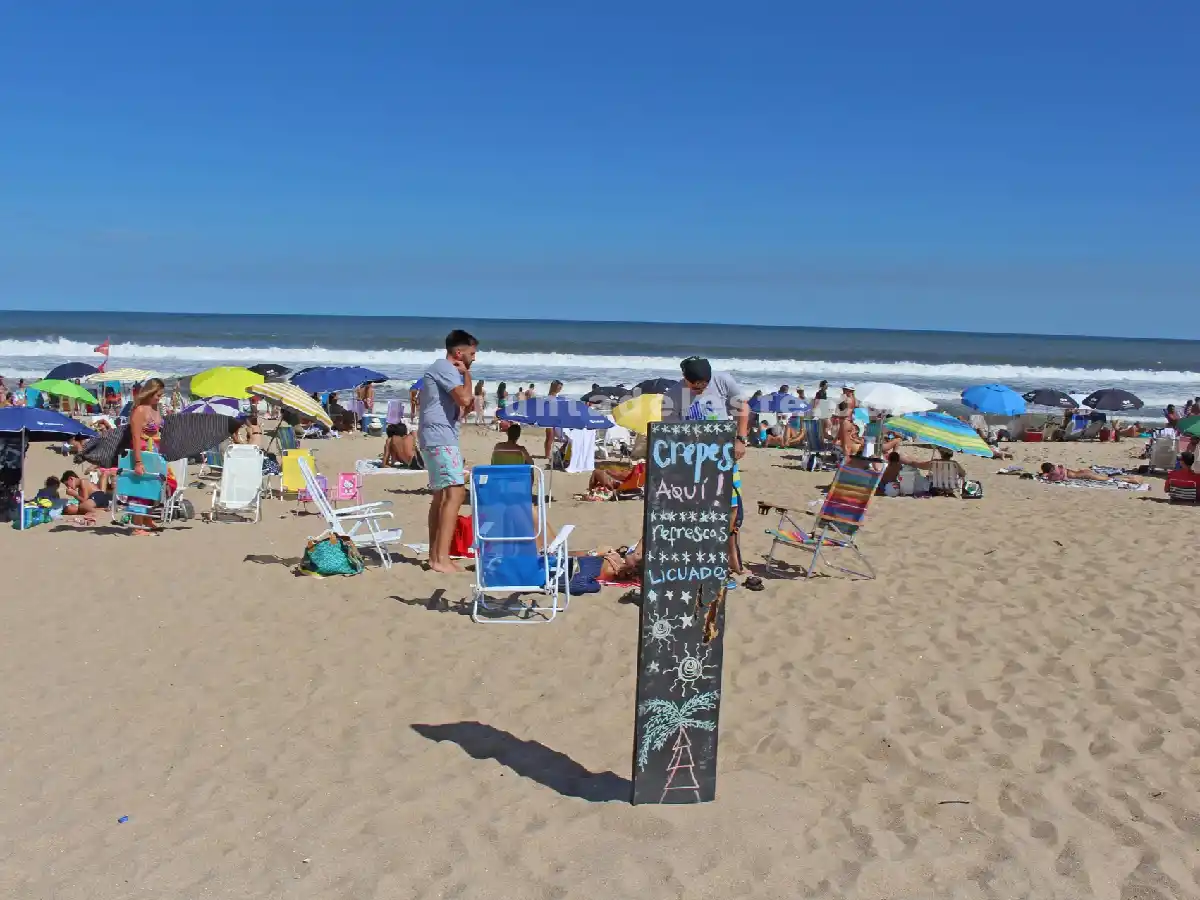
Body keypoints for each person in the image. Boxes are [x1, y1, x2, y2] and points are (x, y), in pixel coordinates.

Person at [661, 356, 761, 590]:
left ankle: (729, 560)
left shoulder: (723, 381)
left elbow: (742, 408)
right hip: (693, 461)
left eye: (705, 383)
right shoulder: (673, 396)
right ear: (685, 379)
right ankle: (706, 560)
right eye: (696, 384)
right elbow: (671, 432)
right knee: (699, 510)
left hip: (725, 457)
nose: (701, 388)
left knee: (731, 507)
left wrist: (740, 439)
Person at [419, 329, 479, 574]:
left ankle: (436, 556)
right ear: (459, 352)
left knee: (442, 496)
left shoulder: (444, 370)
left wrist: (465, 377)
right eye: (472, 354)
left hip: (436, 435)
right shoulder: (444, 368)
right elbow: (466, 400)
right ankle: (440, 558)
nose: (474, 358)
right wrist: (468, 374)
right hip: (439, 436)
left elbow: (465, 405)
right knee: (455, 493)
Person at [128, 378, 172, 533]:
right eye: (157, 395)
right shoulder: (139, 410)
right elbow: (135, 437)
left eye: (161, 395)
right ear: (149, 392)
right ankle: (137, 525)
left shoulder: (156, 408)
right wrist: (138, 461)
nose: (159, 398)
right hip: (144, 451)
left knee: (162, 485)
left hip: (155, 452)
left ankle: (147, 518)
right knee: (141, 488)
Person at [541, 379, 565, 459]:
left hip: (551, 418)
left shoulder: (552, 396)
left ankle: (547, 454)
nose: (560, 389)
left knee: (550, 437)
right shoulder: (551, 396)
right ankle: (547, 455)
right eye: (559, 387)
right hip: (550, 419)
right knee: (550, 437)